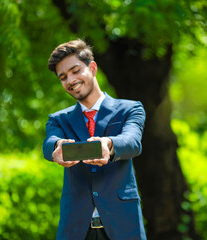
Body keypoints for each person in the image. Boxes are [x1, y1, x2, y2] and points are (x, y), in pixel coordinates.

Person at [43, 39, 147, 240]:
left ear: (92, 68)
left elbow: (132, 141)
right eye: (63, 77)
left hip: (123, 226)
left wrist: (108, 144)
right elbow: (49, 143)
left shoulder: (130, 109)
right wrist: (57, 147)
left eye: (75, 71)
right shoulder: (58, 119)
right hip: (76, 229)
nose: (70, 80)